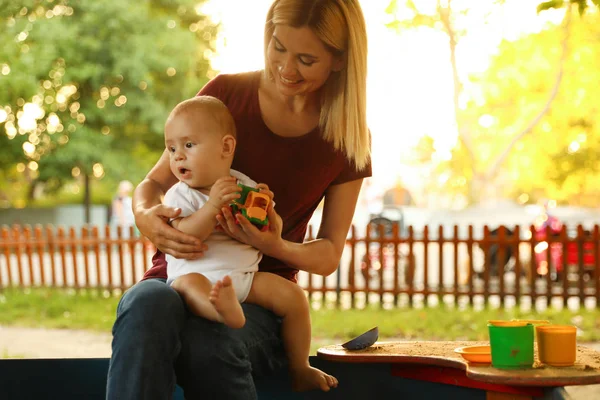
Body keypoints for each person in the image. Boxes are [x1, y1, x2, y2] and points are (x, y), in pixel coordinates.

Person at [106, 1, 371, 398]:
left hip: (255, 290)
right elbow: (153, 183)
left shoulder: (347, 140)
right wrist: (144, 216)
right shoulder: (226, 94)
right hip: (177, 274)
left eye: (306, 59)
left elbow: (329, 253)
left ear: (339, 61)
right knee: (145, 305)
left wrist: (274, 245)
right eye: (278, 47)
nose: (286, 67)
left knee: (211, 341)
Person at [162, 95, 337, 391]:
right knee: (187, 285)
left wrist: (266, 210)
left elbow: (270, 231)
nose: (178, 155)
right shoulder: (180, 195)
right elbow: (188, 234)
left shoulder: (244, 185)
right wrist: (212, 207)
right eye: (171, 148)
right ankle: (222, 312)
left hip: (245, 278)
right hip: (197, 278)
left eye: (188, 145)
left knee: (294, 297)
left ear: (226, 147)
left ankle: (300, 366)